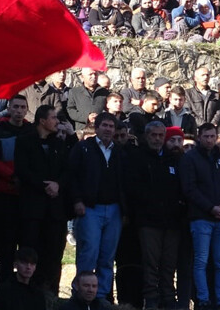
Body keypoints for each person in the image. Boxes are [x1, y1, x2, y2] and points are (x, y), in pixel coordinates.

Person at [14, 105, 72, 295]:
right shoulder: (24, 142)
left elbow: (67, 170)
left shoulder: (60, 143)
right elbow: (22, 170)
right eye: (53, 118)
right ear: (42, 121)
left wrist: (58, 185)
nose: (57, 121)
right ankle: (26, 292)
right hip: (32, 208)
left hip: (55, 210)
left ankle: (51, 295)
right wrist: (43, 185)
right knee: (30, 251)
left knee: (54, 254)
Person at [127, 121, 184, 310]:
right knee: (151, 262)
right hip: (148, 220)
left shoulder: (173, 159)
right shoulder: (137, 157)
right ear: (146, 136)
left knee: (169, 263)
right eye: (154, 135)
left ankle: (168, 297)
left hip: (172, 220)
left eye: (161, 135)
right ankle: (151, 299)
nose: (157, 139)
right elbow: (134, 188)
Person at [69, 112, 124, 303]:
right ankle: (80, 296)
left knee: (107, 257)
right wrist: (77, 200)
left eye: (111, 126)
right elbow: (72, 176)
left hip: (115, 209)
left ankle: (101, 298)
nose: (108, 129)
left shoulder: (119, 151)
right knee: (88, 253)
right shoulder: (83, 148)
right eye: (105, 125)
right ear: (97, 127)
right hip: (90, 208)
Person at [179, 123, 220, 310]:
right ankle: (202, 298)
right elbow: (189, 189)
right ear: (199, 137)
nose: (209, 140)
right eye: (206, 136)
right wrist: (210, 208)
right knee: (201, 261)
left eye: (212, 136)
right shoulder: (190, 158)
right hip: (201, 217)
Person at [0, 94, 33, 287]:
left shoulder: (31, 130)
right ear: (9, 108)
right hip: (4, 192)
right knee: (5, 241)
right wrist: (12, 176)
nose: (19, 111)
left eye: (22, 107)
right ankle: (3, 280)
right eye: (16, 107)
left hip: (26, 194)